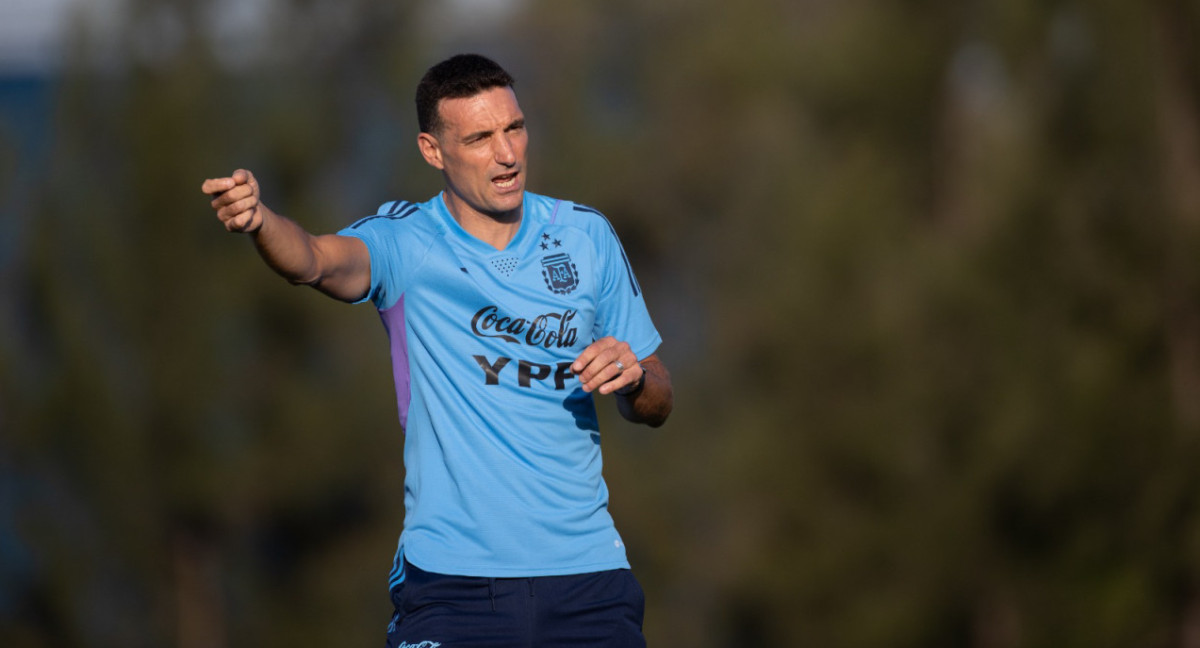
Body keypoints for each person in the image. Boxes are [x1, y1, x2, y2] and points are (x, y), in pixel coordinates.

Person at [201, 53, 673, 647]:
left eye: (515, 128)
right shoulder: (406, 243)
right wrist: (261, 220)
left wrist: (634, 380)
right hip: (455, 587)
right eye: (479, 138)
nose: (507, 154)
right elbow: (315, 259)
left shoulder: (586, 236)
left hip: (588, 581)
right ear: (432, 150)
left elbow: (657, 395)